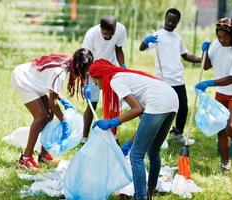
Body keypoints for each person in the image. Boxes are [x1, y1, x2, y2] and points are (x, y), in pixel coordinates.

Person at [80, 58, 178, 200]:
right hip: (172, 99)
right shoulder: (125, 77)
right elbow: (144, 125)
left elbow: (137, 109)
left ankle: (141, 197)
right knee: (153, 151)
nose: (99, 87)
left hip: (159, 101)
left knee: (136, 156)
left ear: (101, 76)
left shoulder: (115, 80)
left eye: (96, 82)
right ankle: (149, 195)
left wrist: (112, 122)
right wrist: (128, 144)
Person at [11, 49, 93, 170]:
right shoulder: (59, 72)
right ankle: (25, 159)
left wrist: (64, 101)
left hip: (34, 81)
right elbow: (52, 102)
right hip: (23, 79)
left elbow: (53, 90)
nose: (86, 73)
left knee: (49, 115)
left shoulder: (70, 61)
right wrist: (63, 120)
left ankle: (44, 155)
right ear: (79, 66)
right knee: (41, 116)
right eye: (85, 70)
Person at [196, 17, 232, 176]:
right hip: (223, 92)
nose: (222, 41)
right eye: (219, 37)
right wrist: (205, 52)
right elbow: (207, 65)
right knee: (221, 129)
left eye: (226, 37)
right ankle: (225, 164)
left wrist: (209, 83)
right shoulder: (216, 45)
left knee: (231, 128)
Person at [139, 8, 202, 144]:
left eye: (174, 21)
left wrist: (202, 59)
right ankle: (160, 137)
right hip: (163, 80)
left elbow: (186, 56)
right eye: (169, 20)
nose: (170, 23)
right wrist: (145, 41)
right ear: (165, 19)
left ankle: (177, 134)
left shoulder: (178, 38)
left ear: (177, 22)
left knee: (183, 107)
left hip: (178, 79)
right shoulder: (157, 36)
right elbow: (141, 48)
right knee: (164, 108)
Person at [81, 15, 127, 144]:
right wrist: (86, 83)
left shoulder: (121, 30)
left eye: (110, 35)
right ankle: (84, 137)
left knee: (112, 105)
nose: (108, 37)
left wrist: (123, 66)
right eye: (105, 35)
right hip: (93, 69)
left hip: (109, 68)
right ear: (101, 29)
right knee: (92, 104)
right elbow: (85, 60)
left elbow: (119, 49)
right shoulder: (91, 35)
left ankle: (112, 135)